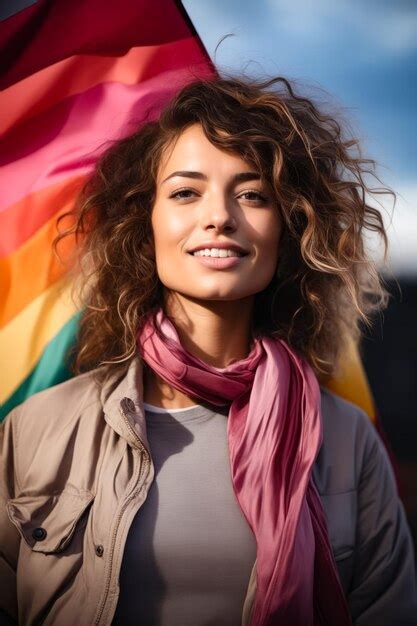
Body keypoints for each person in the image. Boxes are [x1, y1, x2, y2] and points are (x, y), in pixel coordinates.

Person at [0, 75, 416, 626]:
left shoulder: (346, 439)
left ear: (289, 228)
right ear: (143, 223)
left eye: (252, 194)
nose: (219, 216)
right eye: (185, 192)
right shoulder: (34, 430)